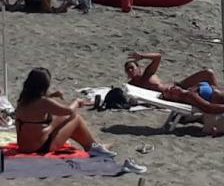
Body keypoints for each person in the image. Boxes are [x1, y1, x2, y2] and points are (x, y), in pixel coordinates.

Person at [14, 67, 142, 169]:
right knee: (75, 117)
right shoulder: (44, 102)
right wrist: (77, 102)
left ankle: (94, 146)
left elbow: (41, 107)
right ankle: (93, 147)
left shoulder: (23, 99)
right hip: (40, 147)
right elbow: (68, 111)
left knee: (61, 119)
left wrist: (52, 95)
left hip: (24, 146)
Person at [124, 52, 219, 92]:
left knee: (208, 73)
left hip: (180, 86)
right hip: (175, 95)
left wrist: (142, 56)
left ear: (139, 68)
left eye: (132, 67)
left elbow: (158, 57)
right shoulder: (131, 86)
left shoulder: (147, 74)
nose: (130, 70)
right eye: (128, 70)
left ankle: (221, 98)